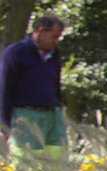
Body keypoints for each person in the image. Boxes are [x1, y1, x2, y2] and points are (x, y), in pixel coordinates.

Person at [1, 15, 67, 158]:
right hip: (25, 114)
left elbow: (55, 84)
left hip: (52, 114)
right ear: (41, 31)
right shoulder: (16, 53)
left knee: (58, 157)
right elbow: (4, 88)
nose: (57, 41)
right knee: (26, 159)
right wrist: (3, 125)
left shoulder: (54, 54)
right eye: (54, 36)